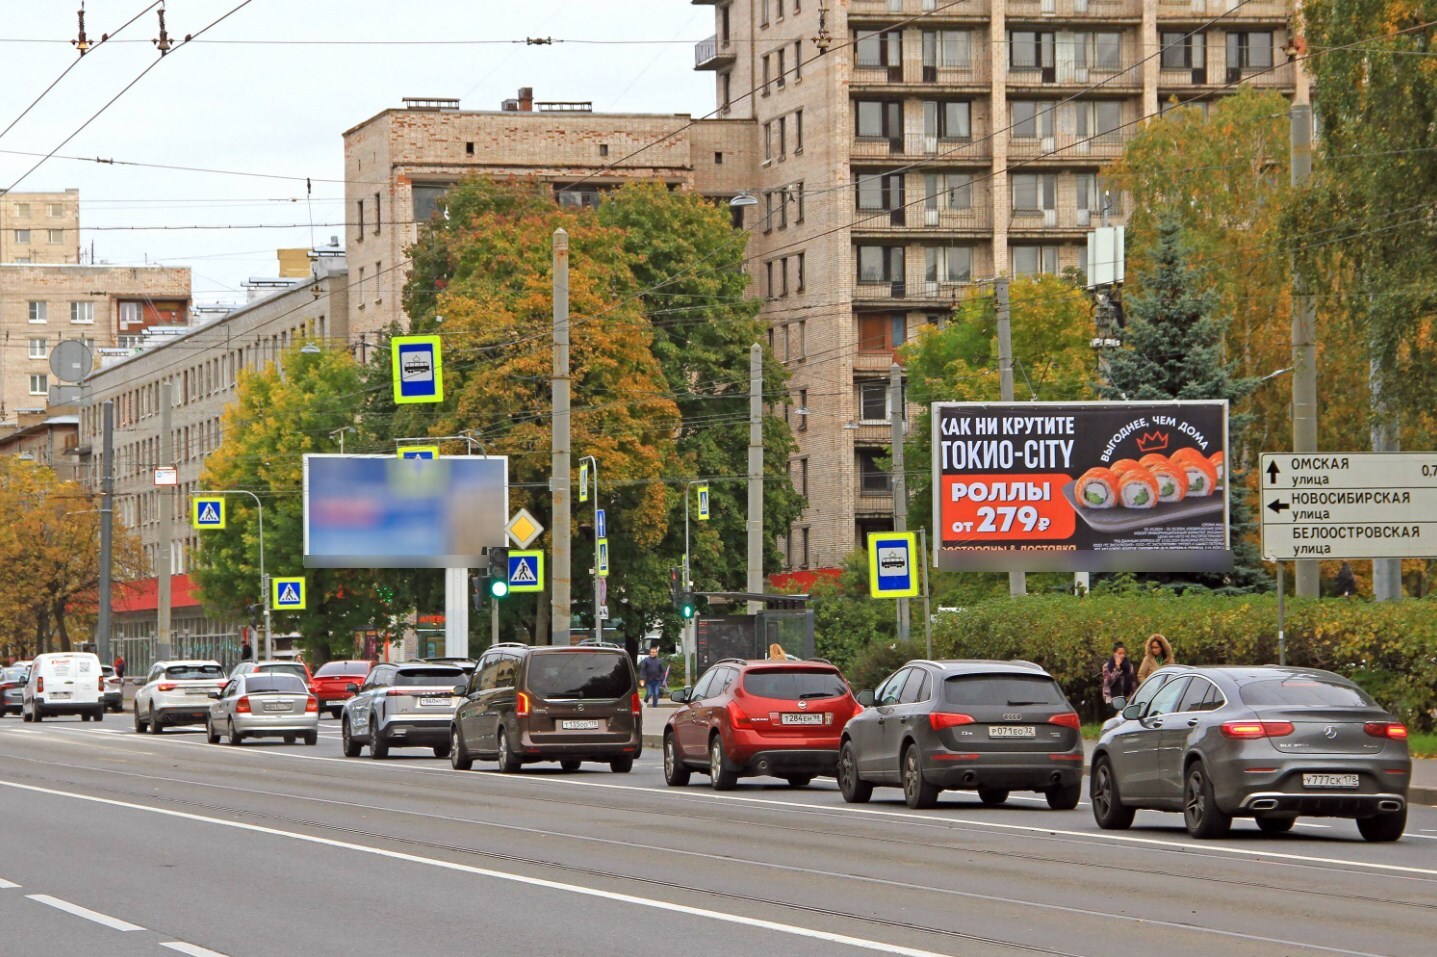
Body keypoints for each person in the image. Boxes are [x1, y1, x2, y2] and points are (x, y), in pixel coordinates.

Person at [1100, 642, 1135, 709]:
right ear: (1114, 654)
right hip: (1112, 699)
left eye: (1123, 653)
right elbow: (1108, 682)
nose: (1122, 656)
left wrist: (1134, 697)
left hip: (1126, 699)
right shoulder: (1107, 666)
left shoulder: (1129, 666)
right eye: (1119, 653)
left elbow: (1133, 683)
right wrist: (1117, 668)